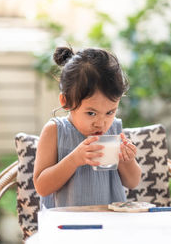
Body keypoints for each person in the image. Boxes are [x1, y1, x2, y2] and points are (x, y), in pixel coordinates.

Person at [33, 46, 141, 208]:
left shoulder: (114, 129)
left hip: (109, 222)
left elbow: (132, 182)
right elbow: (42, 187)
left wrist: (127, 160)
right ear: (66, 102)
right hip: (67, 225)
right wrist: (74, 159)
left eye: (110, 112)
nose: (101, 123)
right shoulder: (55, 131)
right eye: (91, 113)